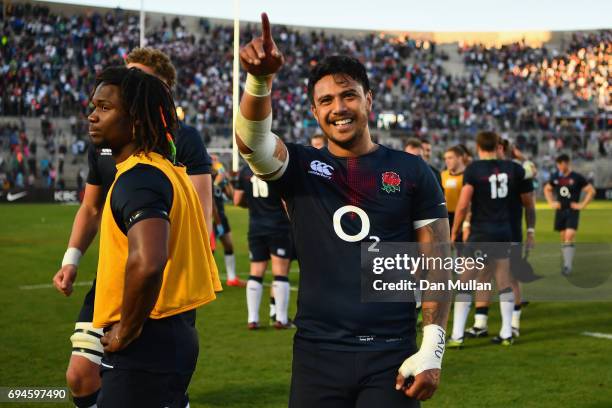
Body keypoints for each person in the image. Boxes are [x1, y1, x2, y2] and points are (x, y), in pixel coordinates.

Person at [236, 13, 450, 407]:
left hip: (392, 354)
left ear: (368, 99)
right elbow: (253, 144)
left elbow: (437, 262)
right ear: (315, 113)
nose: (339, 107)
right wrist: (259, 80)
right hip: (318, 355)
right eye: (326, 101)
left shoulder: (413, 170)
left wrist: (432, 351)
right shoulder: (299, 166)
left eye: (348, 95)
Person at [51, 48, 215, 408]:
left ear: (139, 114)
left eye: (105, 107)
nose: (92, 116)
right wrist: (72, 257)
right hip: (143, 310)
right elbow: (91, 208)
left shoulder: (143, 175)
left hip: (151, 314)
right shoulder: (151, 167)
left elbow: (150, 260)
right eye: (95, 105)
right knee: (81, 376)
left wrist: (128, 327)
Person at [449, 131, 535, 347]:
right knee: (504, 281)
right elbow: (529, 203)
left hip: (480, 232)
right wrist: (531, 229)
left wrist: (455, 231)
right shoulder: (514, 169)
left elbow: (463, 205)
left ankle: (457, 335)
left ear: (478, 147)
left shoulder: (474, 170)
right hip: (504, 232)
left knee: (465, 280)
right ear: (498, 146)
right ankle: (506, 332)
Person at [234, 165, 293, 329]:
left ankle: (252, 319)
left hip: (255, 227)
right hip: (279, 226)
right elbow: (285, 202)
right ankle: (281, 319)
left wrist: (253, 205)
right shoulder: (277, 169)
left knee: (256, 272)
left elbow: (237, 200)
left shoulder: (245, 171)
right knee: (280, 272)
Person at [543, 154, 595, 276]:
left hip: (572, 211)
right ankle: (567, 261)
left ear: (566, 163)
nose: (559, 167)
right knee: (563, 237)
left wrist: (582, 205)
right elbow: (547, 189)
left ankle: (567, 266)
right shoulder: (556, 177)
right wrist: (551, 202)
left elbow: (591, 191)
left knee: (569, 235)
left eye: (560, 164)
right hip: (560, 211)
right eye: (558, 165)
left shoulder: (576, 177)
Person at [211, 154, 245, 286]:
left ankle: (232, 278)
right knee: (210, 251)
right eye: (213, 159)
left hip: (221, 215)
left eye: (217, 159)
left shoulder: (220, 178)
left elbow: (231, 196)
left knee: (229, 245)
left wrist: (227, 181)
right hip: (211, 217)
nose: (216, 161)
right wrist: (215, 183)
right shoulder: (206, 176)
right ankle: (209, 281)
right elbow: (210, 200)